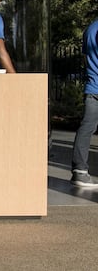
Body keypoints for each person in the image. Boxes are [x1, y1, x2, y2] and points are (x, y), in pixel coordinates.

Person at [70, 18, 98, 188]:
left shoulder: (91, 29)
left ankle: (79, 171)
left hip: (93, 85)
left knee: (87, 127)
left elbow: (85, 58)